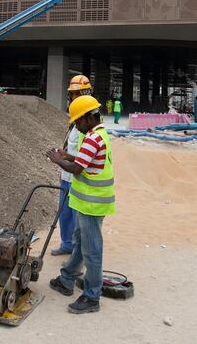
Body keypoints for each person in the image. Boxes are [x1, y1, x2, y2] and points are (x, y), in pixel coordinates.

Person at [46, 95, 115, 315]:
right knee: (80, 242)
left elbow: (77, 169)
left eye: (77, 122)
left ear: (88, 117)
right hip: (86, 202)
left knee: (92, 251)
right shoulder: (96, 135)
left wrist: (58, 160)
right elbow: (85, 160)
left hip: (92, 205)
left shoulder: (94, 138)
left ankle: (92, 296)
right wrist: (68, 154)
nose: (77, 126)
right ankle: (67, 279)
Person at [51, 75, 93, 257]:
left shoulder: (88, 123)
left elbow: (86, 157)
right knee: (65, 213)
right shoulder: (75, 121)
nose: (72, 97)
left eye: (75, 94)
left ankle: (77, 249)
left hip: (77, 176)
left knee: (77, 216)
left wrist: (65, 159)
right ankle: (67, 243)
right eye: (71, 94)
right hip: (66, 174)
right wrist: (65, 154)